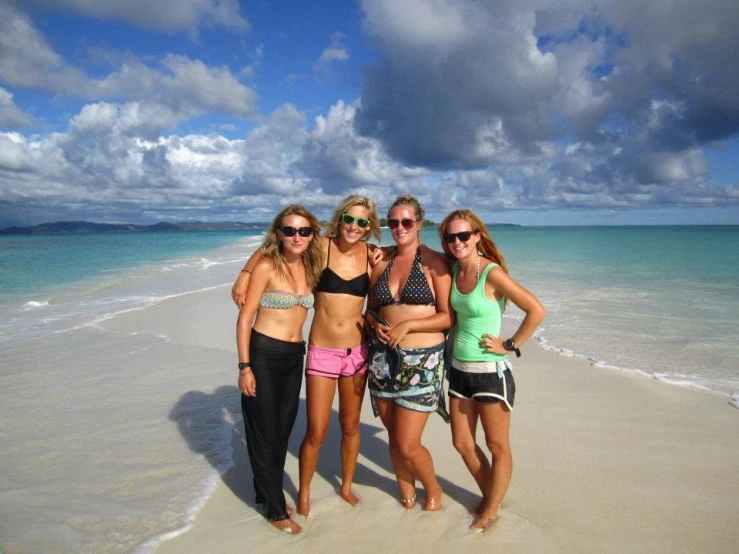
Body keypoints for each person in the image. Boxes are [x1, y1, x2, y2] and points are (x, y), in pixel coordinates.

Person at [232, 195, 382, 517]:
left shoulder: (372, 255)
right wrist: (246, 273)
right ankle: (304, 494)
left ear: (370, 227)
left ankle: (345, 486)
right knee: (316, 430)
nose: (354, 227)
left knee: (351, 426)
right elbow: (277, 245)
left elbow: (403, 262)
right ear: (339, 219)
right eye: (349, 219)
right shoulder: (320, 246)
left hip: (356, 352)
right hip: (320, 350)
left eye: (362, 222)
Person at [438, 209, 546, 531]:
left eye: (463, 235)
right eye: (450, 237)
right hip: (458, 371)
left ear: (476, 236)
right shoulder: (455, 270)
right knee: (462, 443)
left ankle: (491, 509)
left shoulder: (492, 273)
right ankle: (491, 497)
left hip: (490, 371)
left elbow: (536, 310)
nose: (457, 242)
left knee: (497, 446)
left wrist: (510, 344)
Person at [236, 205, 323, 534]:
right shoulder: (267, 266)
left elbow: (350, 242)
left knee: (283, 430)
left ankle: (265, 492)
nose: (296, 236)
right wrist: (245, 367)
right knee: (264, 432)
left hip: (293, 356)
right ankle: (275, 510)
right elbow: (245, 319)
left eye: (303, 230)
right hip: (263, 353)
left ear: (312, 234)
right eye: (289, 230)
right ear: (278, 233)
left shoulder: (312, 264)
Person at [365, 194, 453, 511]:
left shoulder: (434, 262)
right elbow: (371, 310)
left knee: (407, 442)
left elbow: (447, 315)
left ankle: (434, 490)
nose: (399, 227)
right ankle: (407, 494)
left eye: (406, 222)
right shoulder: (381, 263)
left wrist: (409, 326)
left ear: (418, 223)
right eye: (393, 222)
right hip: (381, 361)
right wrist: (374, 325)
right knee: (393, 437)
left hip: (423, 362)